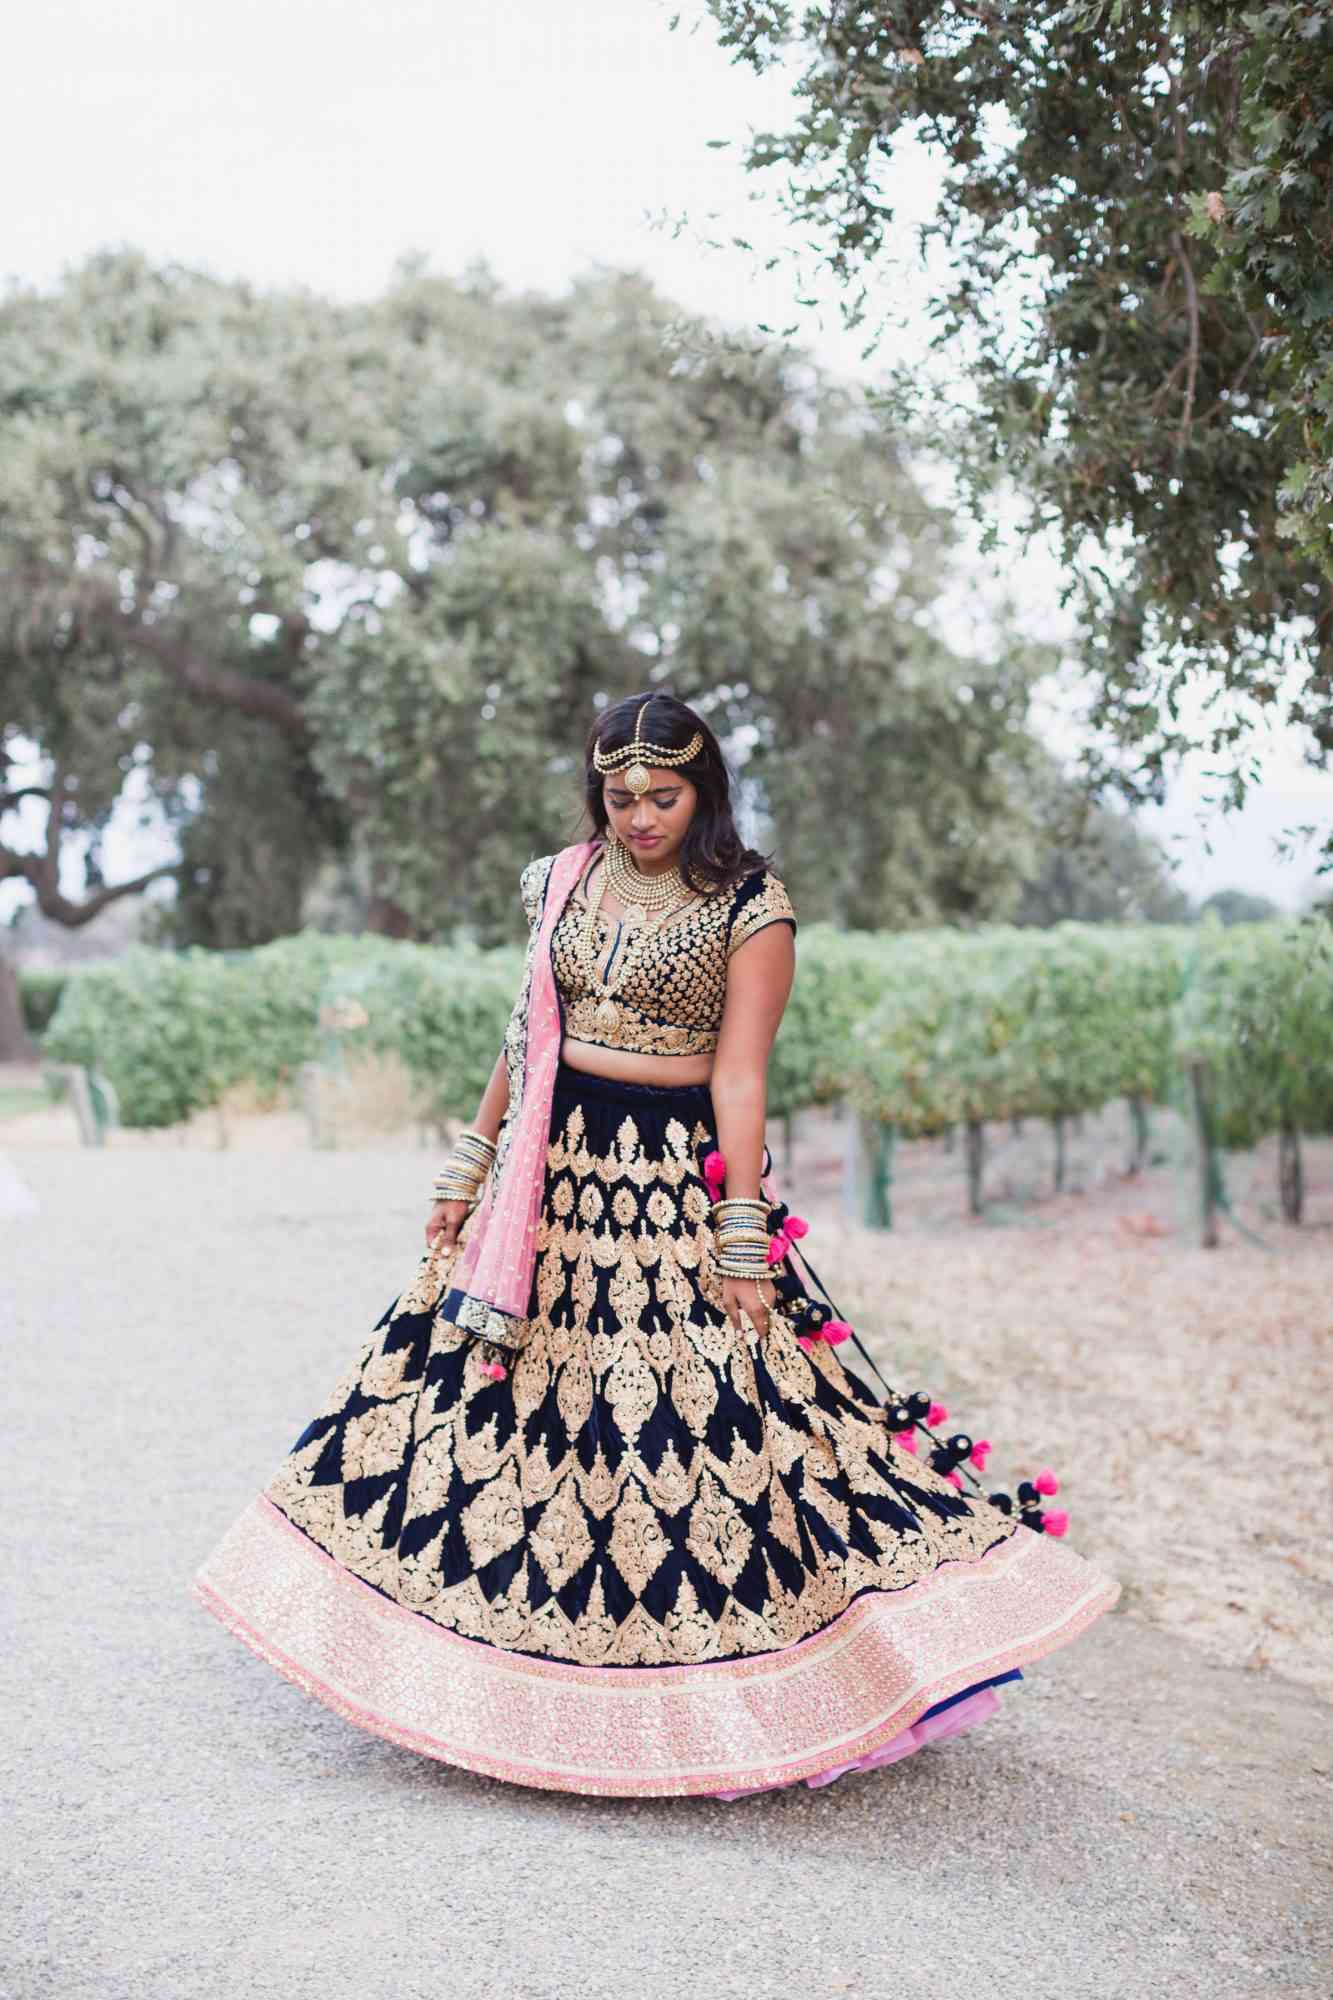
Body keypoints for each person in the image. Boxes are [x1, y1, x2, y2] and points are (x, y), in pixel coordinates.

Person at [191, 690, 1120, 1799]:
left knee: (709, 1418)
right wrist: (469, 1163)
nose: (638, 816)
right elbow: (527, 1028)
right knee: (504, 1410)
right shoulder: (559, 881)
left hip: (672, 1180)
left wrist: (737, 1233)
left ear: (704, 790)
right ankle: (491, 1674)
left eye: (663, 796)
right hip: (554, 1171)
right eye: (620, 796)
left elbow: (741, 1072)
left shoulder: (748, 904)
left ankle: (740, 1685)